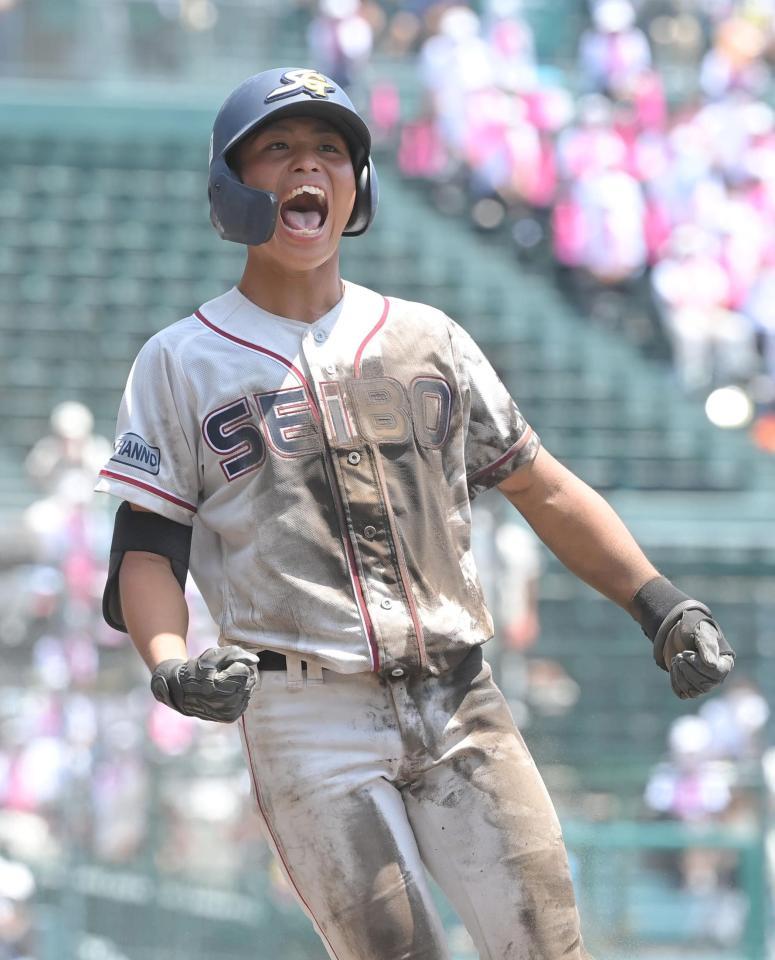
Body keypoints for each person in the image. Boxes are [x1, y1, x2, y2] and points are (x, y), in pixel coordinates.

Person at [94, 66, 736, 960]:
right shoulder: (180, 361)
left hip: (458, 689)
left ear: (358, 184)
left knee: (548, 949)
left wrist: (660, 602)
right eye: (276, 149)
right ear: (231, 187)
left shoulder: (426, 337)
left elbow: (541, 485)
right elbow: (147, 552)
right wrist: (169, 664)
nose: (306, 167)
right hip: (305, 713)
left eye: (329, 150)